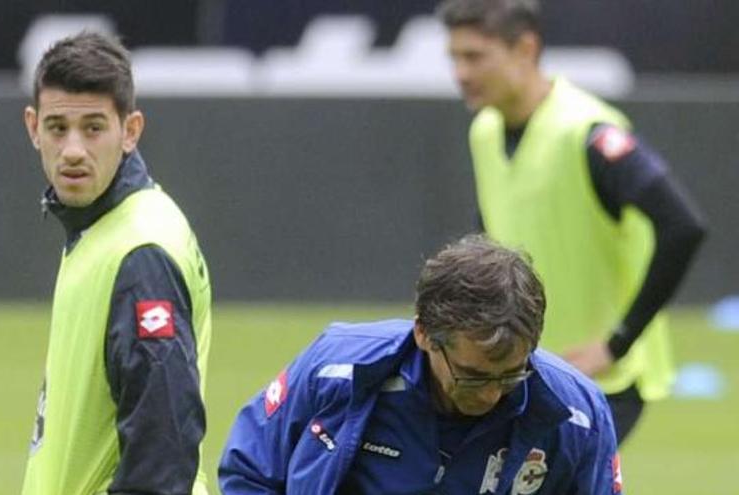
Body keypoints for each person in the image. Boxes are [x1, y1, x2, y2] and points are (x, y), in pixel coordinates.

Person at [440, 0, 707, 444]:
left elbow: (683, 226)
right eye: (454, 58)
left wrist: (616, 342)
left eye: (475, 56)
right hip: (524, 371)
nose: (461, 73)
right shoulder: (485, 131)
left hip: (601, 381)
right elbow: (492, 239)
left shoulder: (586, 130)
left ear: (525, 49)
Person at [219, 235, 623, 494]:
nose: (491, 393)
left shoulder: (578, 415)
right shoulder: (337, 368)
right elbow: (250, 471)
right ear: (425, 334)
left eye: (511, 375)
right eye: (473, 375)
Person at [20, 32, 212, 495]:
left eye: (93, 127)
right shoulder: (107, 229)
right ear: (33, 128)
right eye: (57, 127)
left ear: (130, 131)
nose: (72, 150)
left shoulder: (139, 253)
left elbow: (163, 452)